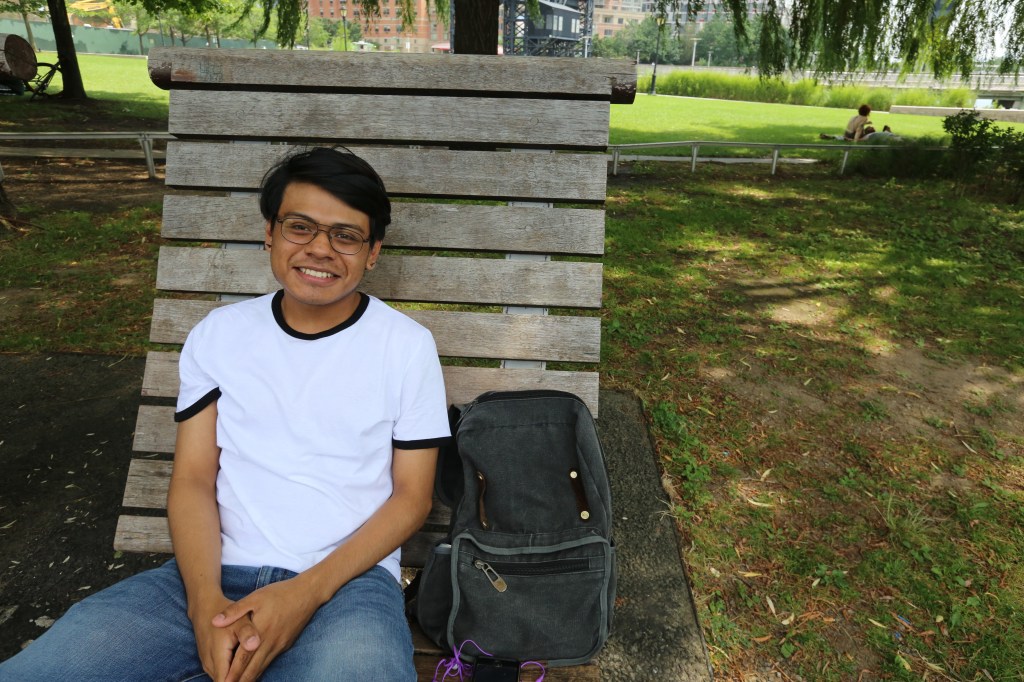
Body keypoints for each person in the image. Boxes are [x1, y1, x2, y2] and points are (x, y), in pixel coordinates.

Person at [0, 147, 452, 681]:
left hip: (345, 586)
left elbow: (411, 498)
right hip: (206, 576)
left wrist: (305, 593)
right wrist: (204, 606)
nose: (320, 249)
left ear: (372, 251)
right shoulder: (220, 334)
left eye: (346, 235)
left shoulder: (405, 347)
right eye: (300, 227)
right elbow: (192, 479)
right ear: (270, 233)